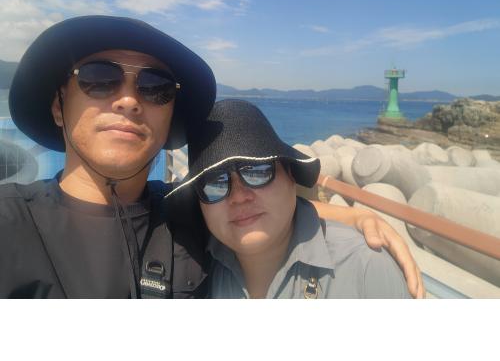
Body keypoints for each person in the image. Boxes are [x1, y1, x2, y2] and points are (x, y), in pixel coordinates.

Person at [0, 15, 422, 298]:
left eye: (155, 87)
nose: (128, 99)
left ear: (170, 116)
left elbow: (263, 211)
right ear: (59, 106)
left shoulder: (184, 218)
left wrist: (356, 218)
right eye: (99, 78)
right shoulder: (11, 225)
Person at [168, 99, 413, 298]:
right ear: (200, 203)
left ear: (291, 176)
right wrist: (353, 214)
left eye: (257, 172)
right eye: (215, 183)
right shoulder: (192, 262)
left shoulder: (364, 269)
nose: (239, 197)